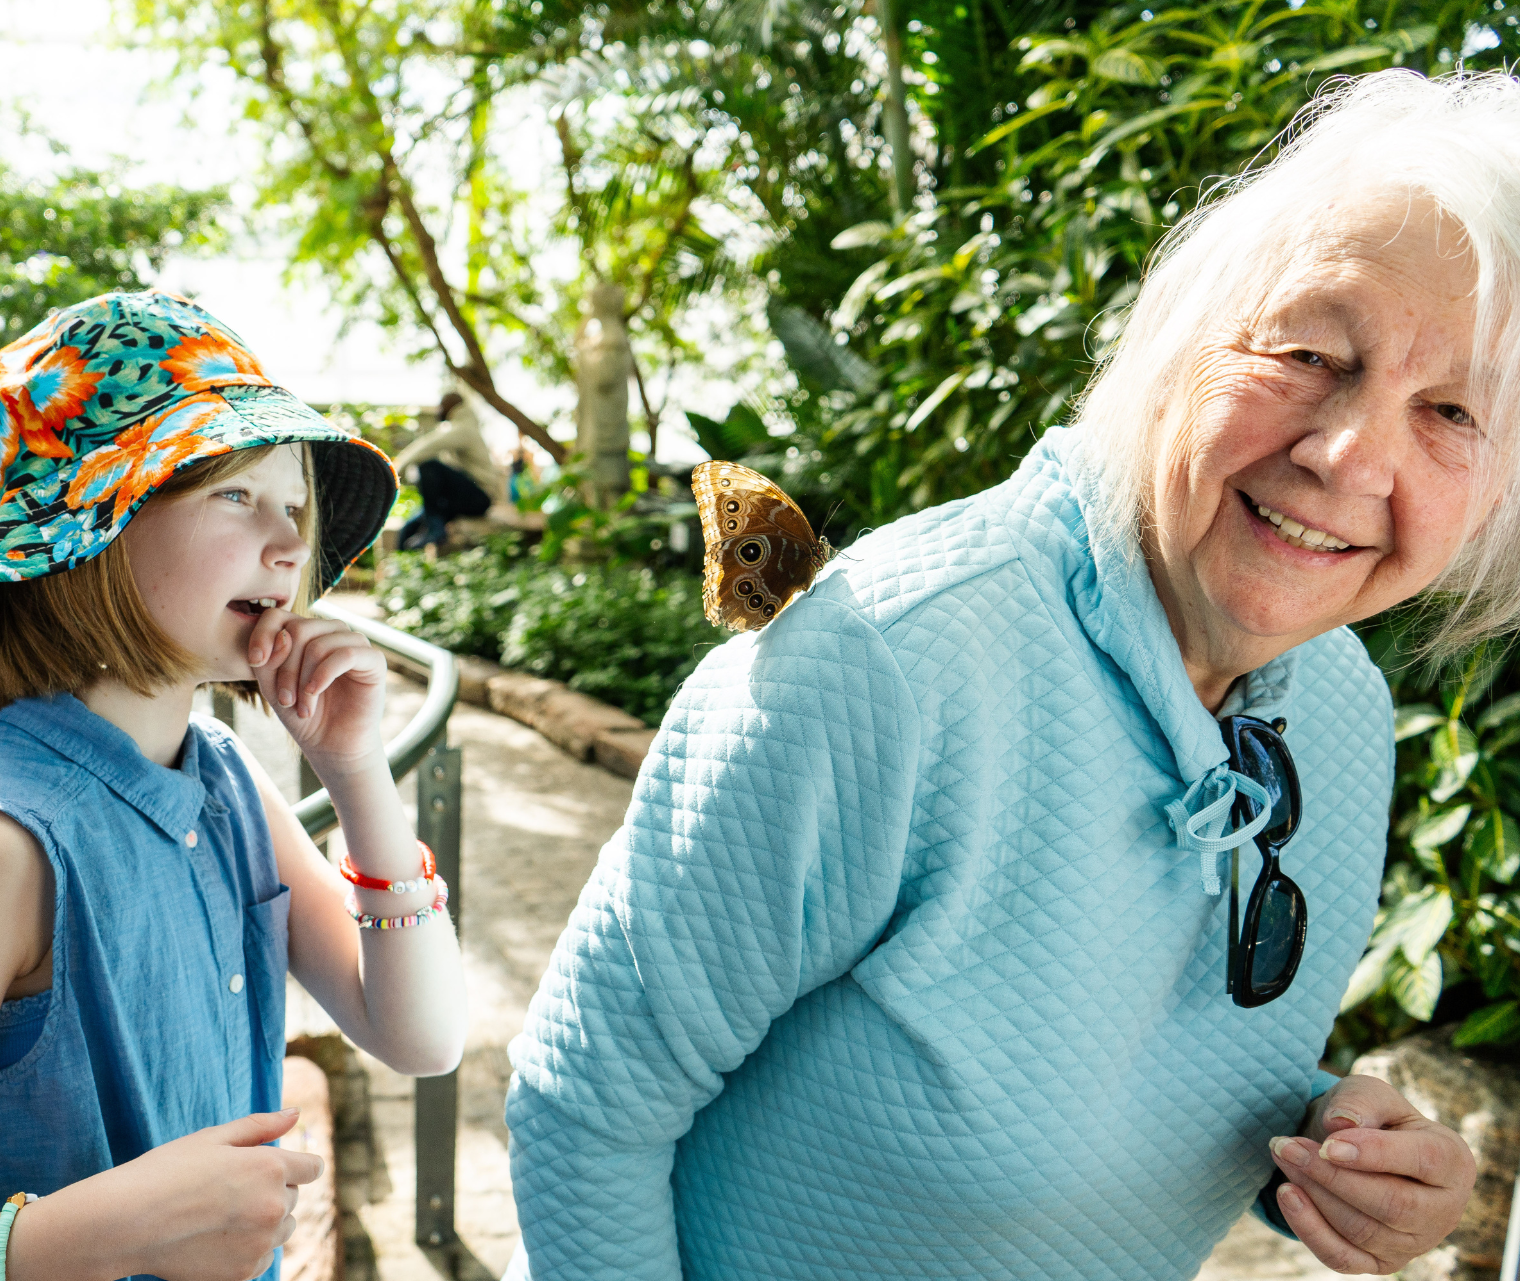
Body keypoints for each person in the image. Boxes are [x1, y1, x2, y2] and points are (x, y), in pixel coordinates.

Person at [506, 71, 1514, 1280]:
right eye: (1308, 352)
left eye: (1453, 410)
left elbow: (1066, 1088)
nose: (1349, 457)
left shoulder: (1338, 709)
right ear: (1181, 338)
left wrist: (1324, 1151)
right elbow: (585, 1107)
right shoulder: (891, 663)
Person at [0, 292, 466, 1281]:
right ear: (92, 528)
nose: (291, 545)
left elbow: (422, 1037)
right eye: (235, 495)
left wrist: (353, 771)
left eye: (296, 507)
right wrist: (97, 1230)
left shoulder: (223, 782)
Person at [392, 390, 503, 550]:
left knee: (429, 465)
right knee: (409, 528)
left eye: (441, 406)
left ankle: (435, 530)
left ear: (451, 407)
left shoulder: (463, 429)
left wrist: (397, 468)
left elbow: (427, 446)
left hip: (479, 498)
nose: (438, 410)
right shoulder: (458, 428)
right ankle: (403, 563)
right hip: (461, 498)